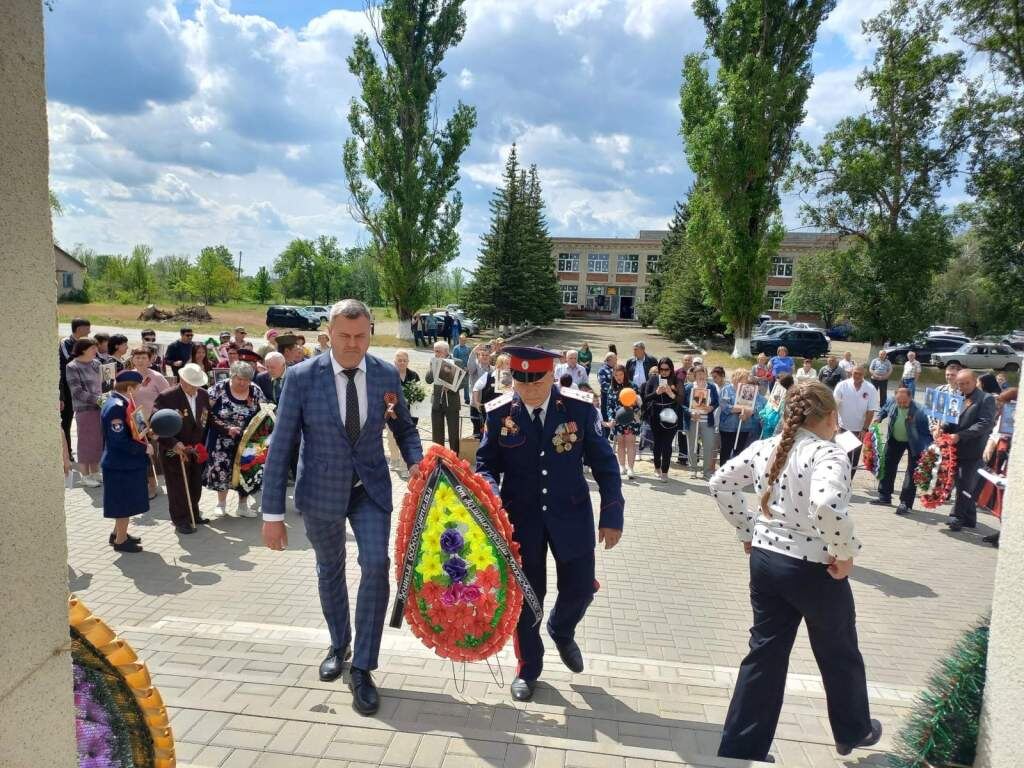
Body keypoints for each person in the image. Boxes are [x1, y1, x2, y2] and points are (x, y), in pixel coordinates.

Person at [262, 299, 422, 716]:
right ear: (328, 334)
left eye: (361, 336)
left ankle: (364, 667)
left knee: (375, 564)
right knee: (329, 569)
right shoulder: (300, 378)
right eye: (344, 336)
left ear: (371, 333)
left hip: (369, 489)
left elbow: (404, 428)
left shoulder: (385, 374)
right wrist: (272, 515)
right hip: (321, 491)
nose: (353, 345)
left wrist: (420, 468)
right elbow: (281, 447)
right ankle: (339, 642)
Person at [711, 380, 880, 763]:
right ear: (831, 416)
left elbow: (719, 483)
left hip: (767, 562)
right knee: (839, 650)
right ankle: (853, 730)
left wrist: (748, 529)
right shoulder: (828, 454)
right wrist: (844, 552)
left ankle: (742, 744)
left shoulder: (766, 447)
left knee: (765, 651)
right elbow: (826, 507)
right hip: (814, 569)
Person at [476, 346, 623, 702]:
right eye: (520, 379)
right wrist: (492, 497)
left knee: (581, 588)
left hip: (571, 514)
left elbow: (606, 465)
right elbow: (484, 465)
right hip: (520, 520)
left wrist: (612, 515)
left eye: (536, 379)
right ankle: (528, 667)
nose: (528, 388)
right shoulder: (499, 413)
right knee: (528, 597)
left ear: (551, 374)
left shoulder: (578, 408)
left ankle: (561, 626)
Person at [203, 360, 267, 518]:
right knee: (221, 469)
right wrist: (224, 427)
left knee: (245, 471)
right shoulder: (219, 388)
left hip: (248, 440)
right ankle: (221, 504)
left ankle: (243, 506)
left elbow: (264, 411)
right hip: (221, 438)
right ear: (232, 376)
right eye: (239, 379)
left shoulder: (255, 390)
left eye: (246, 379)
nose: (243, 382)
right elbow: (205, 410)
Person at [100, 370, 153, 553]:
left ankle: (118, 533)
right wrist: (143, 448)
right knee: (123, 503)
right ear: (129, 387)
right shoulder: (117, 406)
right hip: (121, 464)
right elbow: (119, 439)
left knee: (125, 501)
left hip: (123, 463)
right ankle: (121, 541)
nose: (138, 391)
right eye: (137, 387)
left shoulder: (120, 402)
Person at [154, 363, 211, 534]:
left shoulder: (203, 394)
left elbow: (208, 417)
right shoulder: (167, 397)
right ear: (183, 381)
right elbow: (156, 424)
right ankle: (181, 520)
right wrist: (172, 442)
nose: (195, 388)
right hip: (175, 449)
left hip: (195, 448)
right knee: (178, 486)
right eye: (193, 384)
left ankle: (194, 513)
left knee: (195, 484)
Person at [938, 369, 996, 532]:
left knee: (964, 482)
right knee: (961, 482)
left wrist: (961, 435)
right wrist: (942, 428)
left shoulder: (986, 399)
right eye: (959, 384)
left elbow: (985, 424)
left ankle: (956, 517)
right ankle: (969, 518)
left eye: (965, 383)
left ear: (974, 381)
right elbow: (950, 420)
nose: (962, 386)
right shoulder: (957, 398)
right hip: (955, 449)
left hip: (973, 449)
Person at [870, 387, 932, 514]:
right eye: (899, 402)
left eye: (905, 402)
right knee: (887, 465)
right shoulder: (892, 401)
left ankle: (906, 503)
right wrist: (879, 417)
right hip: (895, 438)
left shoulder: (920, 411)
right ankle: (884, 496)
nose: (902, 404)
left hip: (914, 442)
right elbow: (884, 409)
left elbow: (927, 432)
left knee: (912, 471)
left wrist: (927, 448)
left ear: (911, 398)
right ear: (895, 398)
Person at [129, 346, 170, 499]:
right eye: (137, 357)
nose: (140, 360)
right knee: (140, 453)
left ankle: (153, 485)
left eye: (144, 357)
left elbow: (167, 395)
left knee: (152, 453)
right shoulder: (128, 376)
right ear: (132, 359)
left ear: (150, 359)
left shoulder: (156, 377)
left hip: (153, 419)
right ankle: (143, 484)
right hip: (136, 419)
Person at [978, 387, 1016, 546]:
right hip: (1001, 456)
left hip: (1011, 458)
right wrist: (990, 444)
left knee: (1010, 499)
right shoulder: (1006, 413)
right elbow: (997, 431)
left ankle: (1009, 534)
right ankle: (1003, 530)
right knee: (999, 496)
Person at [66, 338, 104, 487]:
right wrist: (99, 400)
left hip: (100, 408)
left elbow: (105, 384)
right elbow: (76, 392)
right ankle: (85, 475)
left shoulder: (97, 364)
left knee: (97, 442)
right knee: (85, 442)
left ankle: (95, 472)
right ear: (83, 349)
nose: (96, 351)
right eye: (93, 348)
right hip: (85, 409)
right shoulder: (72, 366)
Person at [833, 365, 879, 477]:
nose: (857, 376)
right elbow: (834, 406)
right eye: (855, 373)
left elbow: (871, 410)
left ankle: (849, 482)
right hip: (843, 428)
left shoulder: (870, 388)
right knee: (840, 456)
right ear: (851, 373)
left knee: (853, 459)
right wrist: (835, 425)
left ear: (864, 375)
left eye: (860, 374)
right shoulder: (842, 385)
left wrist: (864, 429)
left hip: (859, 430)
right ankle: (838, 480)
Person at [642, 357, 682, 482]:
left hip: (671, 416)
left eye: (667, 369)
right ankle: (657, 468)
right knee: (658, 444)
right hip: (656, 415)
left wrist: (671, 394)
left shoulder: (677, 380)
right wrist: (656, 393)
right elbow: (645, 397)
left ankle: (665, 471)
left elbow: (682, 400)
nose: (664, 372)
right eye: (661, 369)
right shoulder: (654, 379)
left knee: (667, 445)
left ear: (671, 369)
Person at [60, 317, 92, 459]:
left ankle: (69, 450)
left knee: (76, 418)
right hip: (66, 387)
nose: (90, 331)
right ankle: (66, 452)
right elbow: (69, 360)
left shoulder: (84, 343)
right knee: (65, 420)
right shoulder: (66, 342)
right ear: (79, 329)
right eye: (87, 328)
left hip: (79, 388)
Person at [386, 349, 421, 478]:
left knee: (406, 438)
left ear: (408, 362)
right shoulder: (389, 374)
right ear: (394, 361)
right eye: (399, 360)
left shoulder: (414, 375)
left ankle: (405, 464)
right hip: (392, 412)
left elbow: (420, 394)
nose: (402, 363)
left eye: (404, 360)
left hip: (409, 413)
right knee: (391, 438)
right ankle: (394, 458)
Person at [718, 369, 765, 464]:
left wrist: (747, 414)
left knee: (739, 452)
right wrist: (741, 409)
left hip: (744, 427)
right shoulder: (726, 389)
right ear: (737, 378)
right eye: (745, 378)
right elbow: (725, 407)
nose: (747, 380)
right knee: (726, 451)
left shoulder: (748, 389)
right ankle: (723, 472)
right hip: (728, 427)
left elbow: (755, 406)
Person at [684, 366, 720, 480]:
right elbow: (683, 404)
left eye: (703, 373)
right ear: (694, 375)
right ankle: (693, 469)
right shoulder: (689, 387)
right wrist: (690, 412)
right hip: (693, 420)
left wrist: (711, 407)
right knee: (692, 446)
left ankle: (706, 472)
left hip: (707, 421)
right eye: (698, 374)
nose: (701, 376)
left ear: (706, 374)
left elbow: (716, 402)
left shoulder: (711, 387)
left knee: (708, 446)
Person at [425, 340, 461, 453]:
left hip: (452, 402)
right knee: (437, 433)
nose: (436, 354)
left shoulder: (457, 362)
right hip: (437, 402)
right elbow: (428, 380)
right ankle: (438, 458)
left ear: (446, 351)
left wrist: (451, 387)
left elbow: (464, 381)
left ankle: (454, 458)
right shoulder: (433, 361)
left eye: (438, 351)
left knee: (453, 433)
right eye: (435, 351)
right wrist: (432, 367)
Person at [605, 365, 641, 478]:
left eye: (621, 374)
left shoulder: (633, 386)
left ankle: (631, 468)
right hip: (618, 419)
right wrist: (611, 418)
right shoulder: (611, 388)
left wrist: (634, 408)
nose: (618, 377)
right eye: (616, 375)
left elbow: (639, 404)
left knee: (630, 442)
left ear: (625, 374)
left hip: (631, 419)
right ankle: (622, 466)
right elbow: (609, 406)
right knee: (620, 443)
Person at [597, 352, 617, 437]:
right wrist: (615, 389)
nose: (616, 360)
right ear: (609, 360)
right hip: (606, 396)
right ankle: (605, 435)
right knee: (606, 414)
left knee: (614, 414)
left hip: (615, 396)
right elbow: (603, 384)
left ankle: (613, 433)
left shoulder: (615, 368)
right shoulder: (602, 370)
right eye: (615, 359)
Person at [452, 333, 472, 405]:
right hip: (458, 369)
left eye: (464, 340)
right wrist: (462, 367)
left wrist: (468, 367)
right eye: (461, 340)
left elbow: (470, 359)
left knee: (466, 385)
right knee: (457, 384)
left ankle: (467, 399)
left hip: (467, 369)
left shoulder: (468, 348)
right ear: (459, 340)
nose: (463, 341)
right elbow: (454, 360)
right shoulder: (456, 348)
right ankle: (455, 399)